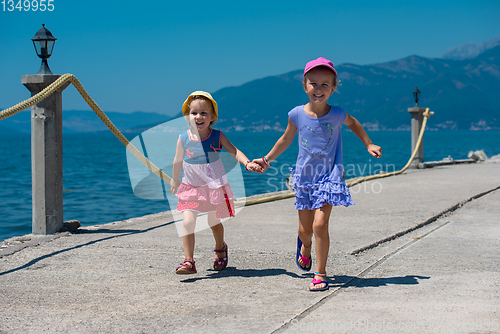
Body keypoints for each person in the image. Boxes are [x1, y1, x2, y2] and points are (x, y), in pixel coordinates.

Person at [254, 57, 382, 291]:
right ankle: (305, 246)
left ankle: (320, 273)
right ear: (305, 86)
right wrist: (266, 160)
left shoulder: (338, 114)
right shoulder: (296, 115)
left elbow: (354, 124)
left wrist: (368, 144)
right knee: (305, 230)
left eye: (325, 84)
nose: (319, 89)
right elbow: (285, 140)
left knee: (320, 225)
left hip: (330, 177)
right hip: (304, 178)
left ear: (334, 88)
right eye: (314, 83)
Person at [170, 91, 261, 274]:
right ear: (188, 116)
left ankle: (220, 248)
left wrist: (247, 163)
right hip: (191, 187)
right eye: (194, 112)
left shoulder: (217, 136)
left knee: (213, 221)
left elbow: (234, 151)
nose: (199, 116)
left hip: (213, 187)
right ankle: (189, 261)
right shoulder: (183, 138)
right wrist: (175, 179)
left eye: (204, 113)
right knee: (187, 222)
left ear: (212, 117)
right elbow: (177, 160)